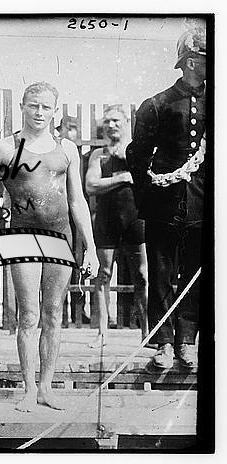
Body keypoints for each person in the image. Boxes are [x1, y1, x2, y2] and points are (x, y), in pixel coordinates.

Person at [0, 82, 99, 412]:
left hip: (60, 238)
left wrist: (90, 247)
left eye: (46, 107)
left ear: (55, 111)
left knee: (54, 314)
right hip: (23, 238)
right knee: (29, 316)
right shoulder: (5, 148)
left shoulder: (66, 149)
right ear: (22, 107)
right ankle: (29, 389)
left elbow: (77, 201)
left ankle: (46, 387)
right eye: (33, 105)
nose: (39, 112)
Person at [126, 27, 207, 370]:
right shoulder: (157, 105)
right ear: (190, 62)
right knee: (161, 273)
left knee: (195, 274)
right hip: (164, 204)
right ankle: (163, 343)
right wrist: (150, 196)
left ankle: (187, 341)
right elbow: (137, 155)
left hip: (202, 203)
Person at [85, 105, 148, 348]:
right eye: (107, 121)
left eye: (116, 121)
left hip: (135, 218)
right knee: (103, 274)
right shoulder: (98, 155)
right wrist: (122, 177)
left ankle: (146, 332)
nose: (111, 125)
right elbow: (91, 186)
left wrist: (112, 179)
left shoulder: (138, 151)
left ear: (127, 123)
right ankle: (102, 334)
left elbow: (146, 180)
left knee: (142, 275)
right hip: (107, 220)